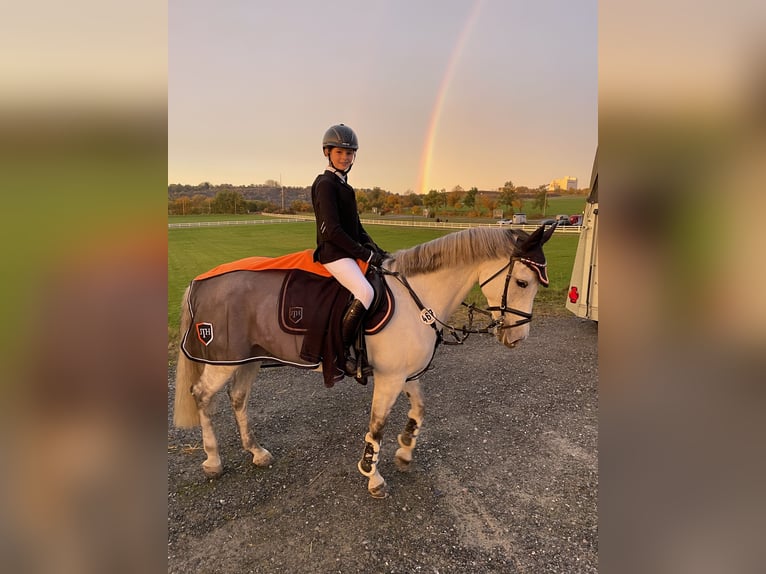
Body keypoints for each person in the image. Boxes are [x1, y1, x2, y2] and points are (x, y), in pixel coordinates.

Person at [310, 124, 386, 373]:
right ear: (327, 153)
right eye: (339, 153)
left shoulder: (344, 186)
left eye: (349, 153)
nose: (344, 158)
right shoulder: (325, 184)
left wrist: (376, 249)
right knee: (365, 292)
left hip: (347, 251)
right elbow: (331, 231)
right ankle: (338, 355)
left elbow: (356, 227)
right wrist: (365, 254)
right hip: (333, 253)